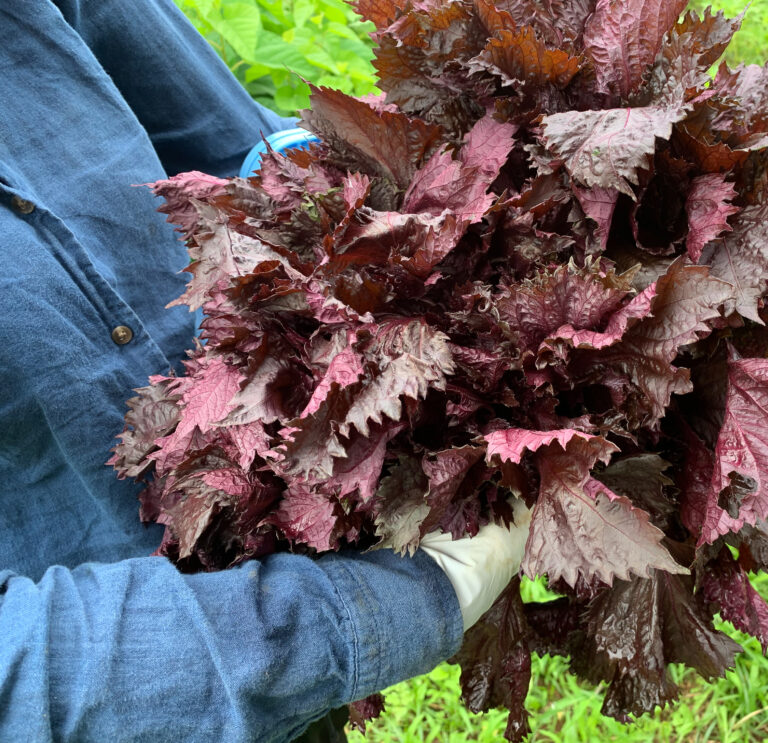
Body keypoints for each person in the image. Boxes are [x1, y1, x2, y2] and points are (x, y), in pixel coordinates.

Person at [0, 2, 528, 741]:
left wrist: (391, 184)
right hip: (152, 684)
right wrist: (372, 610)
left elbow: (234, 154)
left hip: (272, 542)